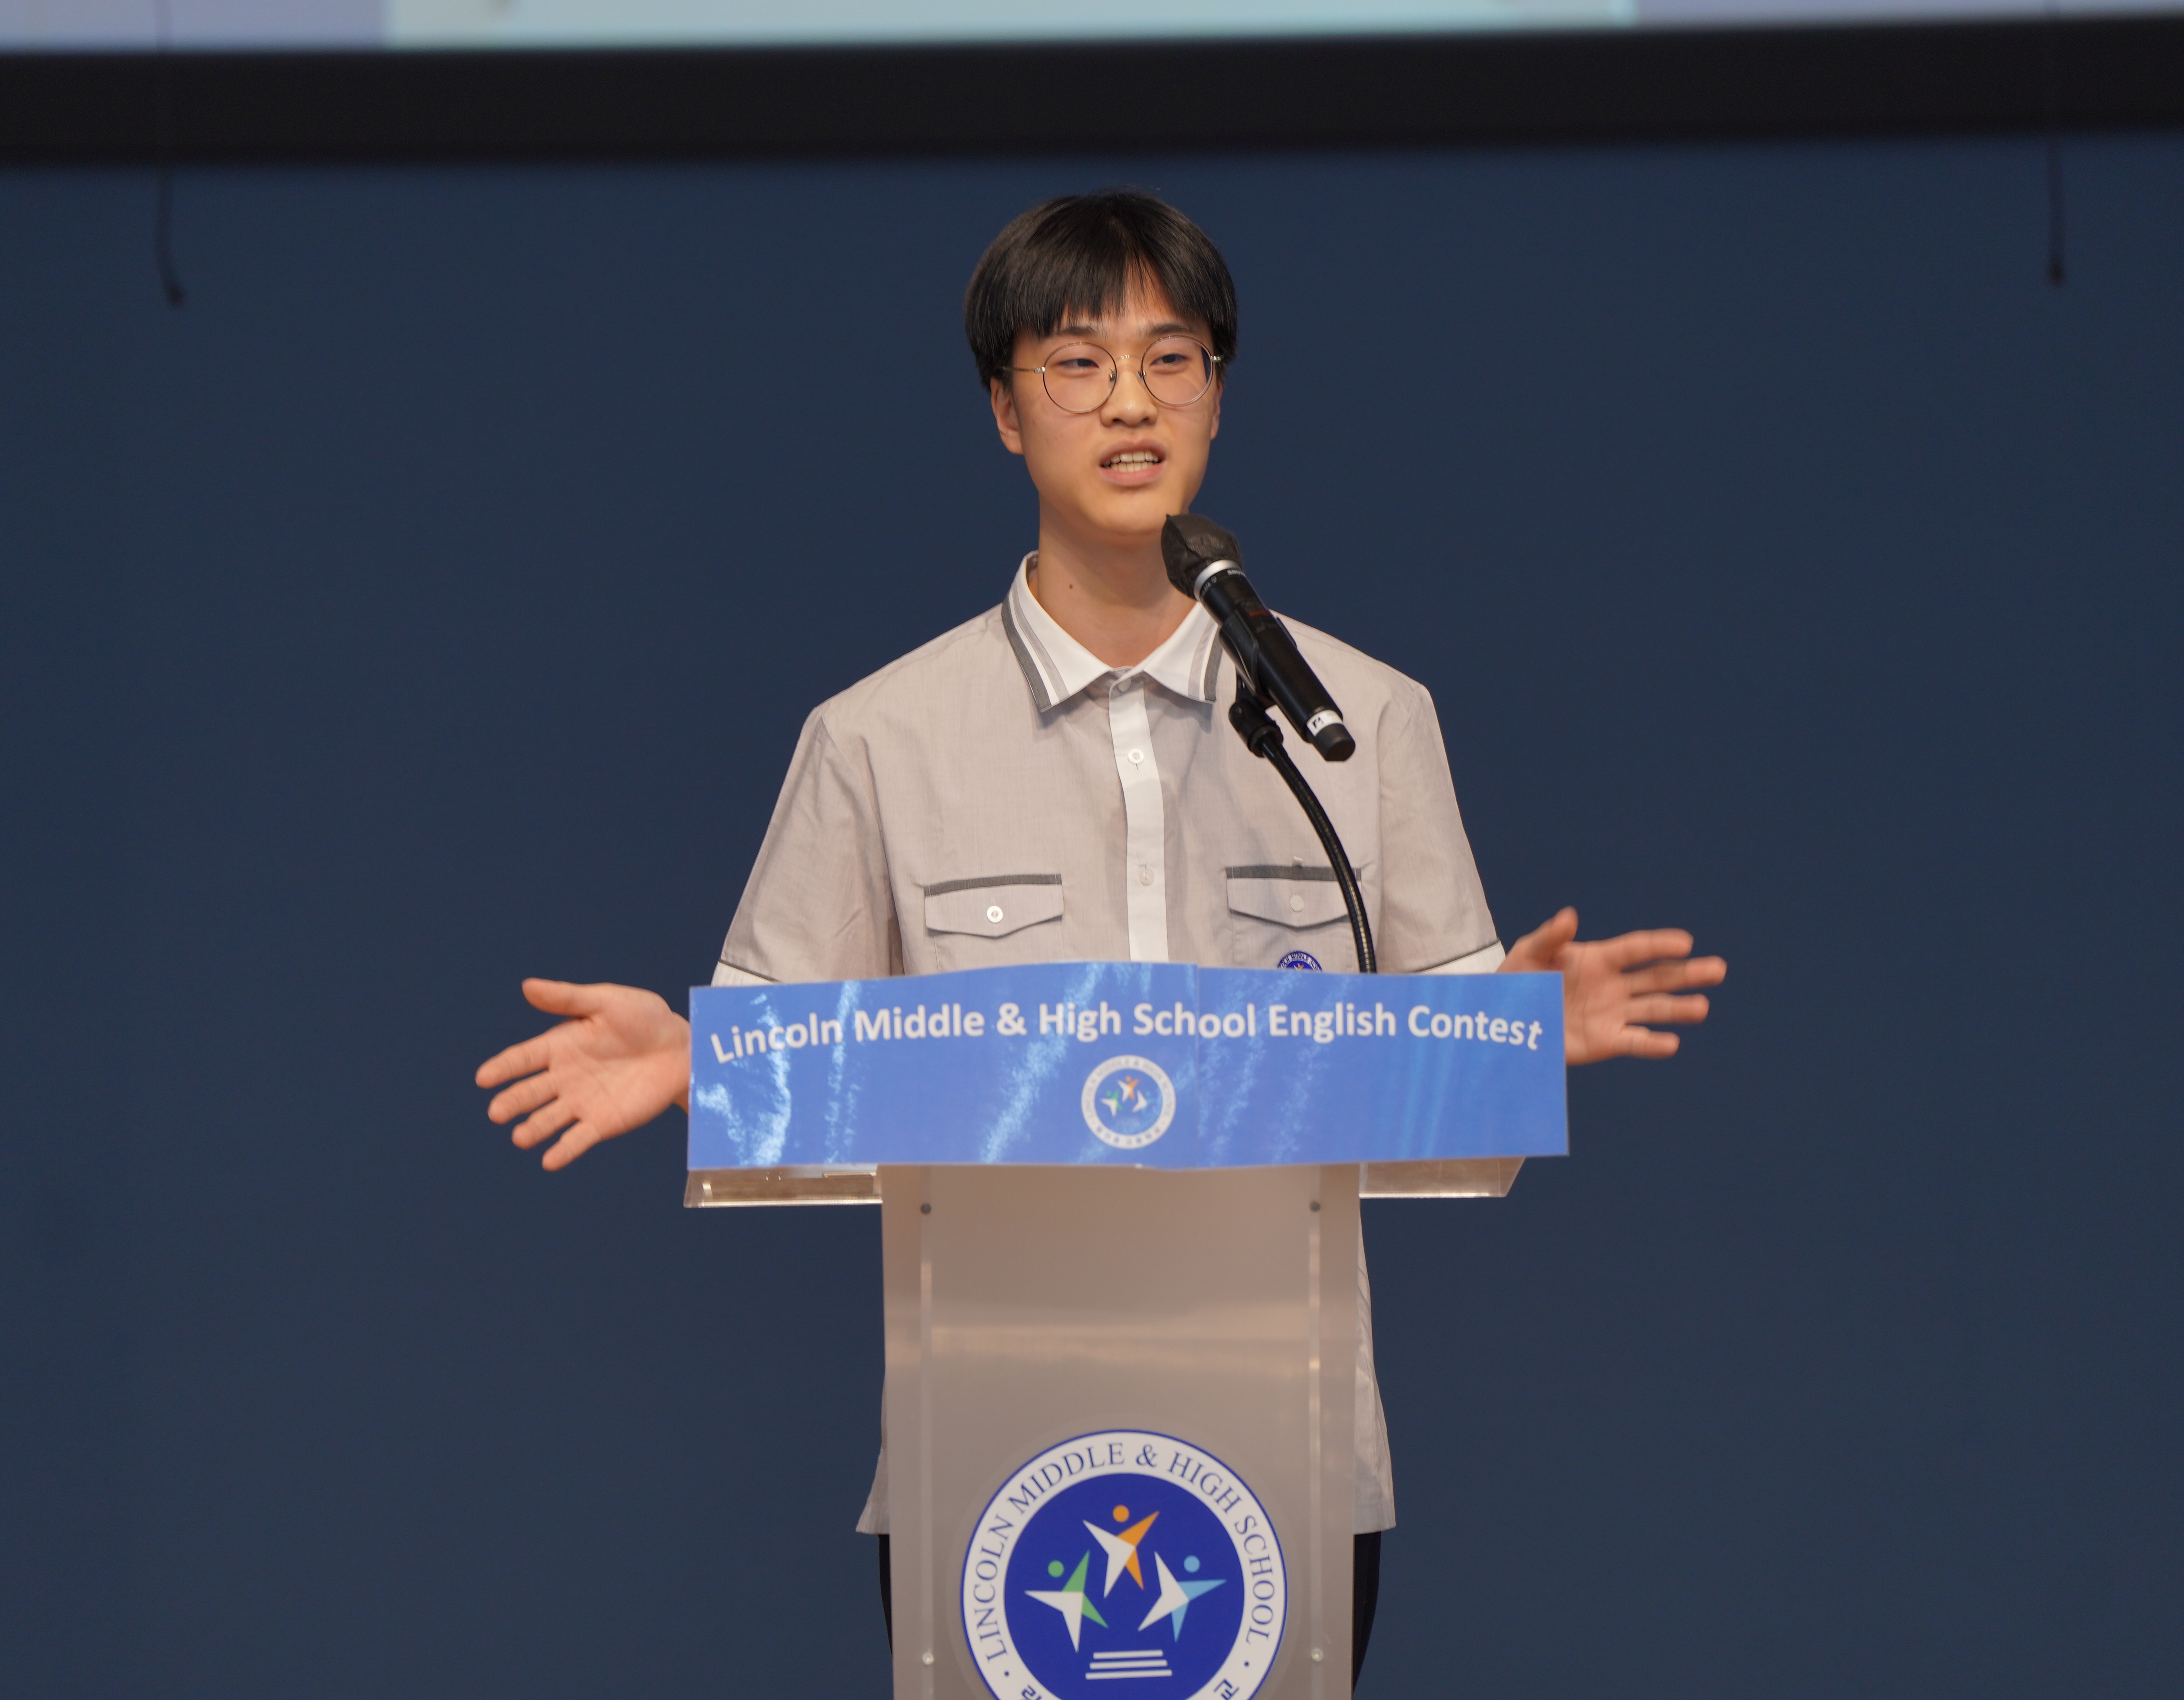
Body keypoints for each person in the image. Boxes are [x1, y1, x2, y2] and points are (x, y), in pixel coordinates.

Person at [473, 188, 1726, 1686]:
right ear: (1007, 411)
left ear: (1217, 396)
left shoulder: (1359, 722)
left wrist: (1507, 1036)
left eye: (1172, 359)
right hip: (984, 1446)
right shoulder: (878, 739)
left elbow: (1438, 1126)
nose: (1132, 402)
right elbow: (810, 1080)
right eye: (1078, 363)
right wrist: (704, 1062)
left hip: (1291, 1447)